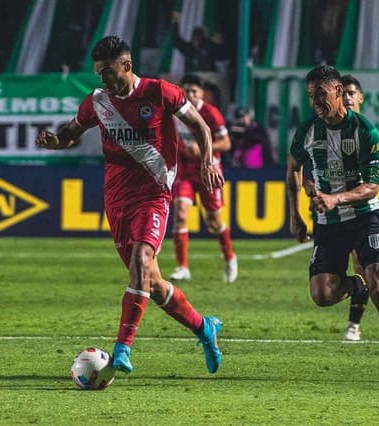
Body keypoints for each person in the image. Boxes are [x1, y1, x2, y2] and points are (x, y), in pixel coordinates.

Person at [35, 36, 224, 374]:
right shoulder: (97, 103)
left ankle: (122, 348)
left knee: (141, 259)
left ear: (127, 65)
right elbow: (70, 133)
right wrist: (55, 142)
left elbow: (200, 126)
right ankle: (203, 327)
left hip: (154, 194)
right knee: (150, 281)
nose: (102, 79)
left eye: (107, 72)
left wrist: (208, 162)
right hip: (116, 199)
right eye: (98, 73)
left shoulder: (160, 92)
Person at [286, 65, 379, 384]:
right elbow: (293, 169)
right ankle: (358, 284)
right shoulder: (308, 131)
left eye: (321, 95)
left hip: (367, 215)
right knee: (322, 295)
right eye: (311, 96)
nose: (315, 103)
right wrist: (295, 215)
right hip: (328, 222)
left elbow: (373, 184)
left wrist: (335, 198)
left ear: (339, 92)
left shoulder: (365, 130)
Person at [304, 74, 379, 342]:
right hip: (333, 216)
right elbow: (305, 166)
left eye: (351, 93)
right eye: (343, 92)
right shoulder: (319, 129)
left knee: (363, 266)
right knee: (349, 279)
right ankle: (364, 301)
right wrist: (308, 183)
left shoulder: (364, 130)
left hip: (363, 208)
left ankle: (354, 324)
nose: (347, 97)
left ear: (359, 98)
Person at [170, 74, 237, 283]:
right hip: (185, 172)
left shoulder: (210, 113)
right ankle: (182, 267)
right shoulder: (175, 113)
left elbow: (226, 144)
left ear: (202, 93)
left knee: (214, 222)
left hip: (208, 171)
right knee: (180, 214)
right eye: (186, 91)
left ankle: (229, 256)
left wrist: (201, 150)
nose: (190, 95)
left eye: (194, 91)